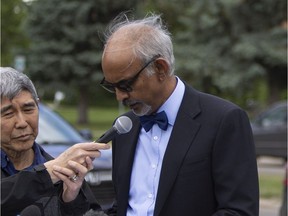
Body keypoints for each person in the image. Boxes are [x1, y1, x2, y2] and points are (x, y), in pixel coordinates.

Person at [100, 13, 259, 216]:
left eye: (125, 85)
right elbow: (123, 207)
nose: (119, 96)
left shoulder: (224, 120)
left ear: (160, 69)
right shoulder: (124, 127)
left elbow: (240, 211)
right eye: (111, 86)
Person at [1, 67, 110, 216]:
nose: (22, 122)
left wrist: (70, 200)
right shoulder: (54, 170)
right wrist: (46, 175)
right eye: (8, 113)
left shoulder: (62, 171)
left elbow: (92, 211)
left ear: (38, 106)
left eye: (28, 109)